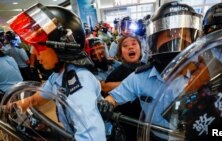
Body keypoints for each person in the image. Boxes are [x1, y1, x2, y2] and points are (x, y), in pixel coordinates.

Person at [98, 1, 202, 141]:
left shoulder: (203, 73)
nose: (179, 39)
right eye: (170, 35)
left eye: (185, 35)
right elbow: (114, 98)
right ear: (155, 41)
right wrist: (107, 104)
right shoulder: (140, 77)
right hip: (155, 137)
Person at [7, 3, 106, 141]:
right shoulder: (58, 75)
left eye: (39, 47)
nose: (35, 53)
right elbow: (35, 99)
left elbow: (94, 138)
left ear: (61, 46)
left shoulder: (79, 83)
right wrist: (8, 108)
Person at [104, 35, 143, 141]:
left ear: (140, 49)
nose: (131, 47)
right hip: (127, 129)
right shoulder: (113, 76)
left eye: (134, 44)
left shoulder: (149, 69)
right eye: (125, 46)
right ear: (121, 54)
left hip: (148, 127)